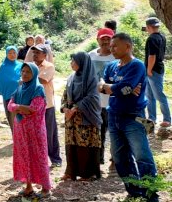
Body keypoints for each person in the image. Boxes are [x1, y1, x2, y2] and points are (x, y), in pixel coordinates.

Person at [99, 33, 159, 202]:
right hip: (114, 116)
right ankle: (134, 192)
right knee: (120, 158)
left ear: (128, 46)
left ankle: (151, 196)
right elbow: (103, 84)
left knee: (142, 156)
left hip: (133, 117)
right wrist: (115, 88)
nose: (112, 49)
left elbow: (125, 88)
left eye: (115, 46)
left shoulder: (137, 66)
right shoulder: (111, 66)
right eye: (110, 46)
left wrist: (113, 88)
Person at [8, 63, 52, 198]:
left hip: (35, 130)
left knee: (38, 156)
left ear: (34, 74)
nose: (25, 74)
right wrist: (21, 107)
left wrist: (18, 107)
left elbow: (34, 109)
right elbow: (10, 105)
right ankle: (28, 186)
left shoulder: (38, 89)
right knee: (24, 156)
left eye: (28, 72)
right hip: (21, 129)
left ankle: (45, 187)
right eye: (23, 71)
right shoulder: (20, 88)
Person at [60, 53, 102, 181]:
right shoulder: (71, 78)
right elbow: (65, 95)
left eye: (74, 61)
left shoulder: (92, 79)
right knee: (71, 145)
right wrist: (65, 108)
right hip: (71, 119)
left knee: (85, 145)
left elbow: (93, 98)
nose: (71, 63)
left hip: (86, 118)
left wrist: (76, 108)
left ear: (82, 63)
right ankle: (71, 172)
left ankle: (87, 173)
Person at [31, 44, 61, 167]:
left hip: (46, 104)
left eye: (38, 52)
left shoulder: (49, 66)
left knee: (50, 132)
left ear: (45, 55)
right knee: (34, 133)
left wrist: (28, 76)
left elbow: (43, 80)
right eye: (34, 52)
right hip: (32, 105)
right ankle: (38, 159)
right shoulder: (32, 66)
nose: (35, 55)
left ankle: (55, 159)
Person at [88, 28, 115, 163]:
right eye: (103, 38)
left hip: (114, 101)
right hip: (95, 101)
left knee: (115, 131)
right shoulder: (90, 55)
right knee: (98, 131)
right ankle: (99, 159)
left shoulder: (117, 56)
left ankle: (115, 158)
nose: (105, 41)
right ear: (97, 40)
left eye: (108, 38)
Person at [144, 16, 170, 128]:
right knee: (149, 95)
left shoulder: (151, 39)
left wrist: (149, 70)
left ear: (149, 27)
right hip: (159, 67)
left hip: (153, 70)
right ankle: (151, 119)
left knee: (159, 95)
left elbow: (152, 56)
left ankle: (167, 119)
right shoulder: (162, 37)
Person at [0, 46, 22, 131]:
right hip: (8, 96)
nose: (12, 55)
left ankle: (22, 138)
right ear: (6, 54)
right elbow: (1, 80)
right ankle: (15, 137)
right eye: (10, 53)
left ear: (17, 53)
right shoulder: (3, 67)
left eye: (14, 53)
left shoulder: (21, 65)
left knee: (20, 116)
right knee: (11, 117)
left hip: (20, 95)